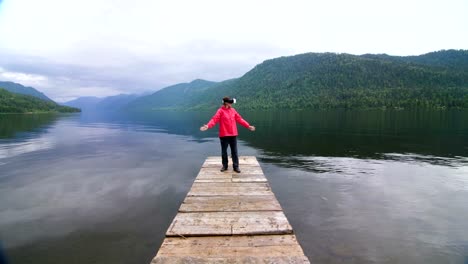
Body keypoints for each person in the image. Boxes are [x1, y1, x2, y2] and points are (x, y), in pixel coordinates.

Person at [200, 97, 255, 173]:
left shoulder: (233, 111)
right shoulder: (220, 111)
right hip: (224, 134)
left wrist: (248, 126)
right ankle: (225, 166)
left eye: (231, 102)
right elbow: (214, 119)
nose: (231, 104)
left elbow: (239, 119)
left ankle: (236, 167)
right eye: (230, 102)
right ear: (225, 103)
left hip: (233, 134)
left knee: (234, 151)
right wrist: (208, 126)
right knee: (224, 151)